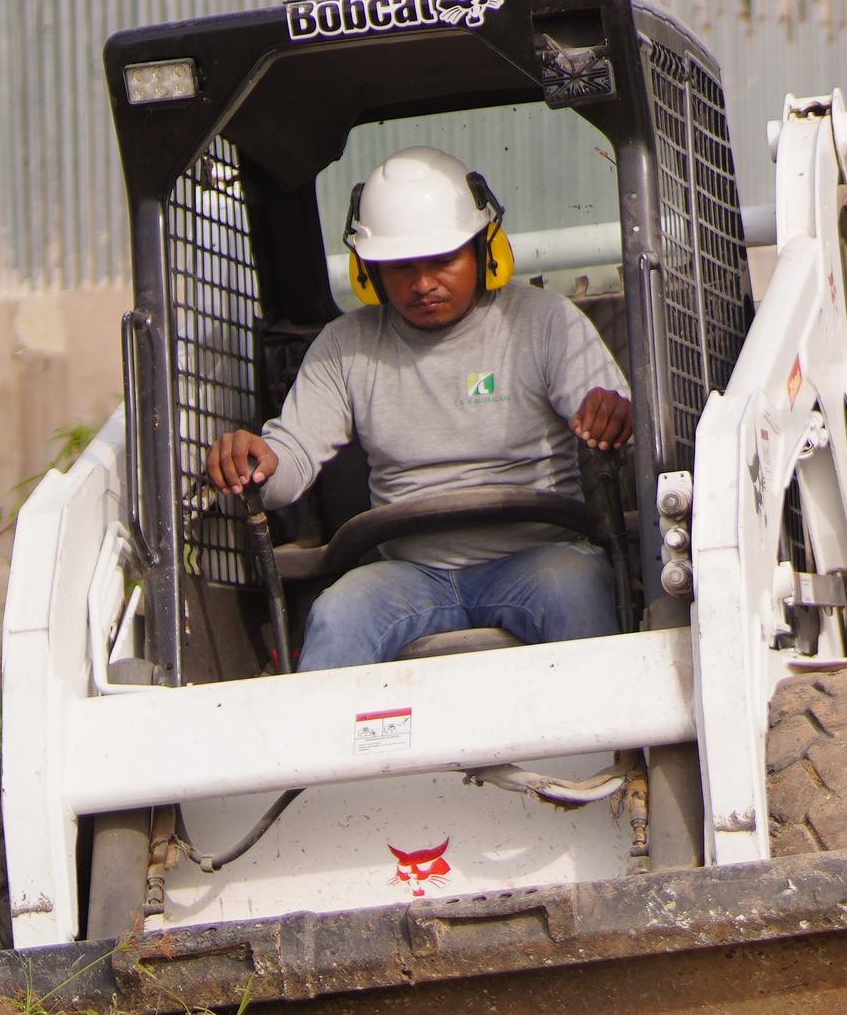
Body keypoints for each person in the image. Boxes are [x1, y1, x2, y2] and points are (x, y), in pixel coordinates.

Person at [205, 148, 635, 669]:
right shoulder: (344, 346)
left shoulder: (545, 321)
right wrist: (260, 461)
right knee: (338, 612)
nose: (423, 283)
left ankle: (625, 752)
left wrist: (608, 415)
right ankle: (321, 750)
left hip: (538, 560)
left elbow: (606, 407)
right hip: (409, 575)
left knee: (578, 590)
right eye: (401, 266)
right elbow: (290, 457)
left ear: (481, 249)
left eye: (442, 260)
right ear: (369, 269)